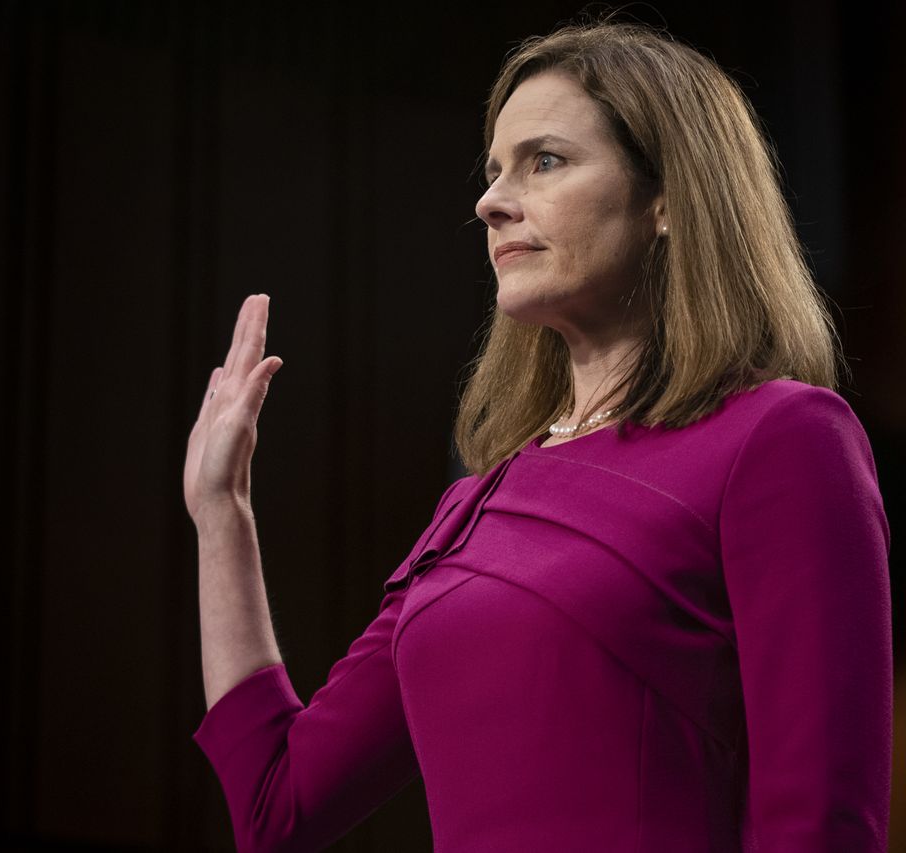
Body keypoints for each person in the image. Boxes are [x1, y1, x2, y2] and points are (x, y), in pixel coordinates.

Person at [183, 20, 891, 853]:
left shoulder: (781, 438)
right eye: (492, 171)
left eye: (544, 161)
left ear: (667, 197)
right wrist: (221, 512)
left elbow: (821, 827)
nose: (490, 200)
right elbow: (278, 806)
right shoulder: (473, 506)